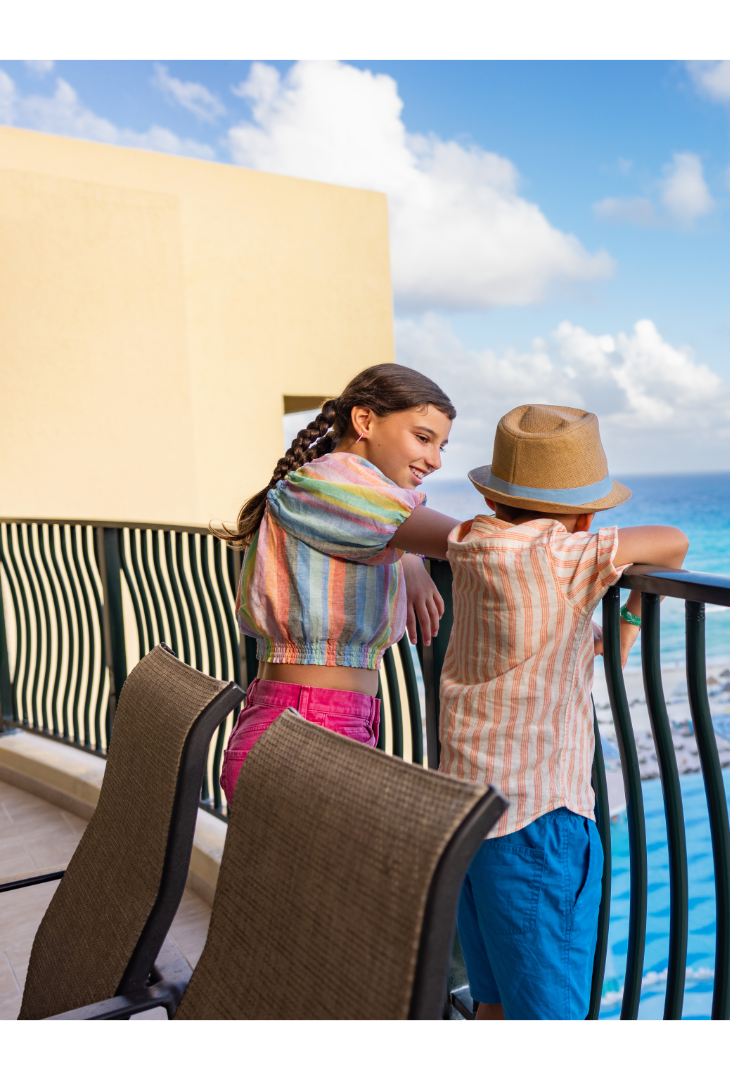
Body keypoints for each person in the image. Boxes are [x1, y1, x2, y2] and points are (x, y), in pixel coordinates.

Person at [442, 404, 688, 1024]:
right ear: (583, 516)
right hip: (538, 816)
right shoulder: (564, 556)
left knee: (493, 1003)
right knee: (551, 1019)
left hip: (468, 808)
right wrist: (627, 618)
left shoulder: (470, 542)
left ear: (495, 500)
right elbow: (673, 543)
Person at [213, 364, 461, 804]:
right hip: (311, 721)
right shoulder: (330, 483)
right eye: (423, 438)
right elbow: (469, 541)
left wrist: (406, 557)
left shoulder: (335, 489)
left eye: (441, 446)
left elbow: (377, 524)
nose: (436, 460)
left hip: (311, 715)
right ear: (364, 421)